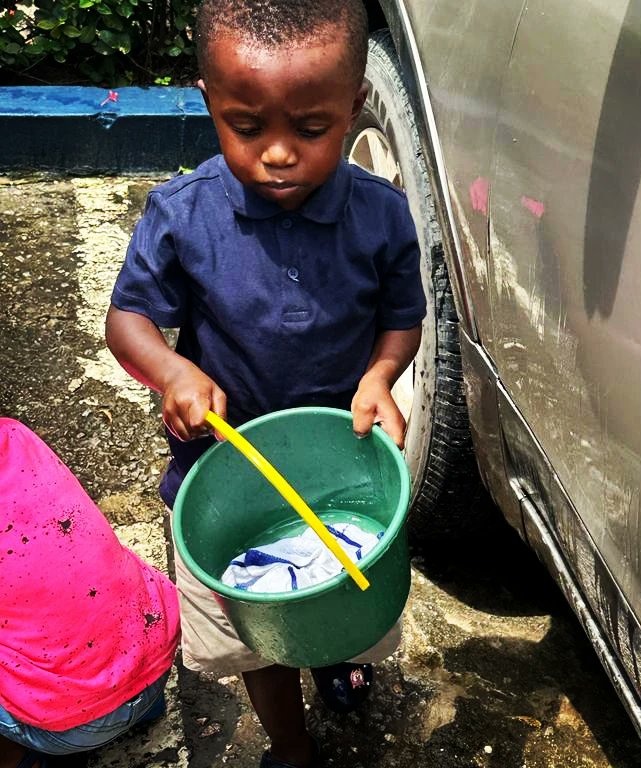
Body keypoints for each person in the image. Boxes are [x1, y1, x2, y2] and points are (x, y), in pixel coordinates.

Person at [104, 1, 426, 766]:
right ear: (211, 103)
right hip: (227, 472)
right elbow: (127, 321)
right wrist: (171, 368)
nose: (278, 154)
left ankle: (339, 657)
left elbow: (401, 315)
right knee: (257, 638)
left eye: (311, 130)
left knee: (341, 594)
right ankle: (290, 740)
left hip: (339, 467)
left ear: (352, 109)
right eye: (247, 127)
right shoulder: (183, 217)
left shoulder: (382, 217)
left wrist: (382, 375)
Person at [0, 418, 180, 768]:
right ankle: (138, 707)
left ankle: (22, 759)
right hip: (157, 665)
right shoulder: (13, 434)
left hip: (69, 728)